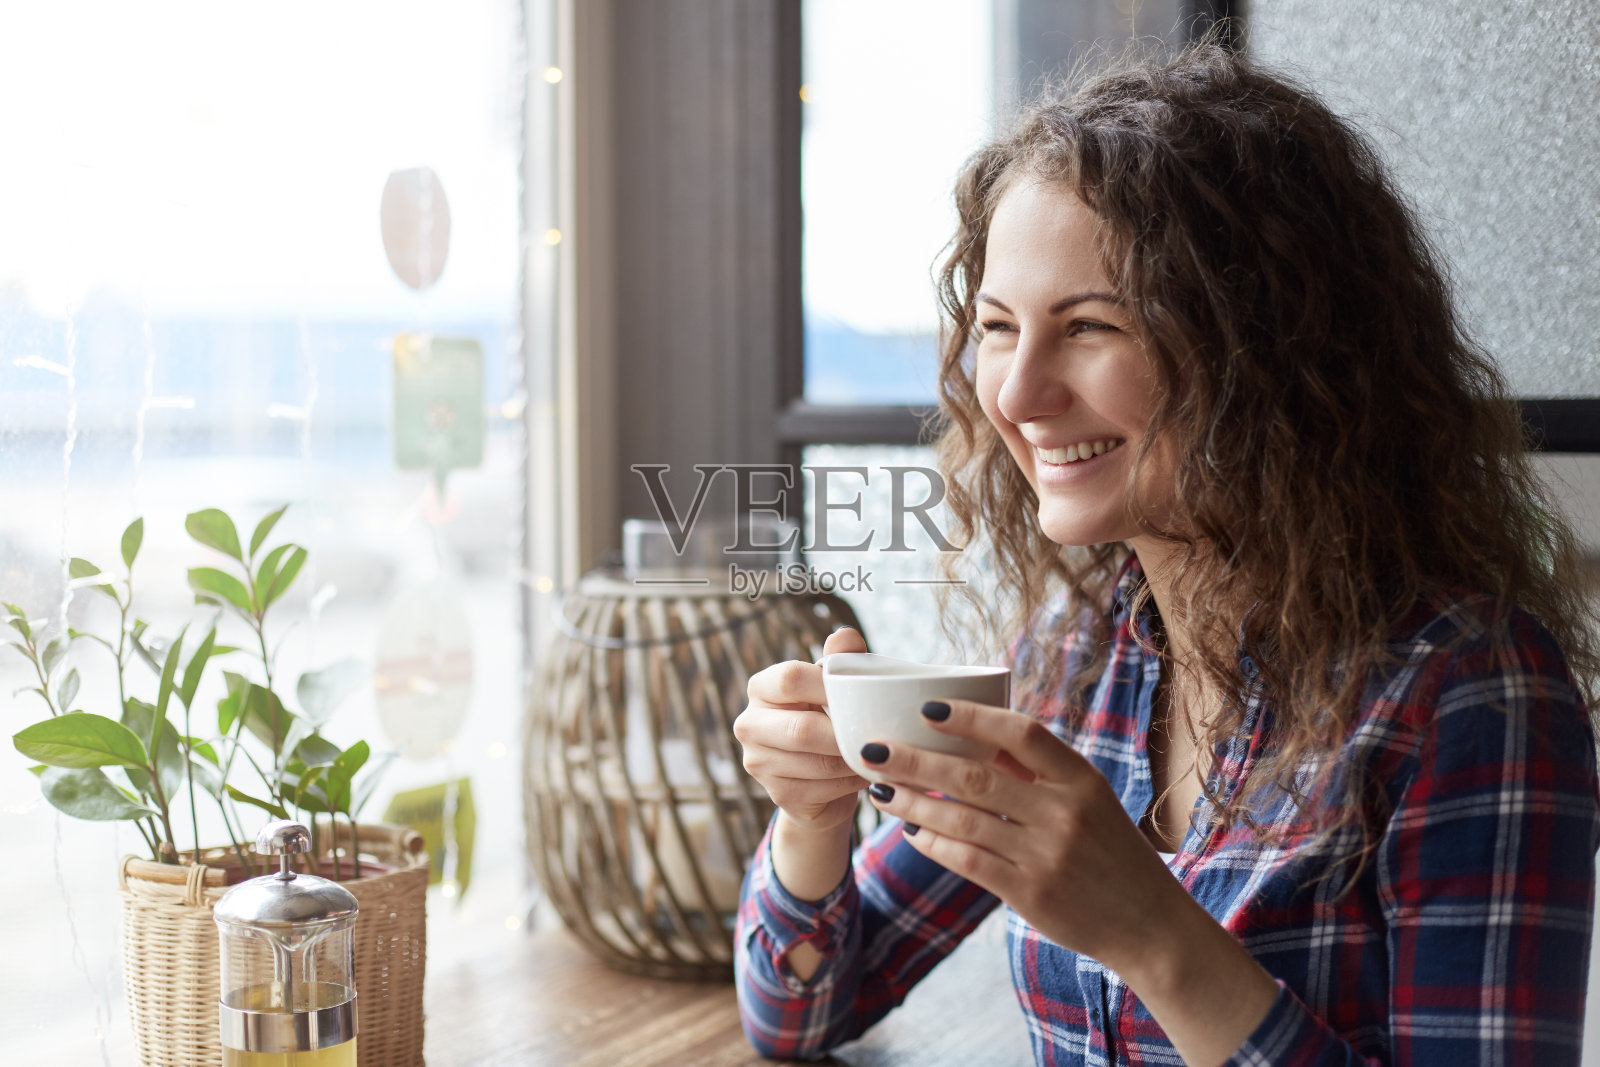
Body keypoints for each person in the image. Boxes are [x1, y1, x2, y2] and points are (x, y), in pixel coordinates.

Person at [730, 39, 1600, 1067]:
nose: (1013, 394)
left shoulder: (1469, 692)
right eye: (999, 326)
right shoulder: (1079, 647)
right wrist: (814, 818)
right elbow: (800, 1007)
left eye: (1090, 325)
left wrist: (1153, 932)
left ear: (1265, 347)